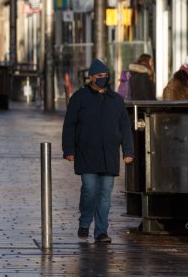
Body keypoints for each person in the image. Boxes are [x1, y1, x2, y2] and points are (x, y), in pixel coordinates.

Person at [62, 59, 134, 244]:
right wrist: (69, 149)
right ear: (91, 77)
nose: (103, 78)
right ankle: (85, 221)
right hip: (86, 153)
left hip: (109, 155)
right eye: (99, 76)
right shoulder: (79, 98)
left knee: (104, 196)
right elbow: (69, 125)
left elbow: (125, 127)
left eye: (105, 76)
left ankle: (101, 231)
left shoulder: (116, 100)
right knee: (89, 189)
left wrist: (128, 151)